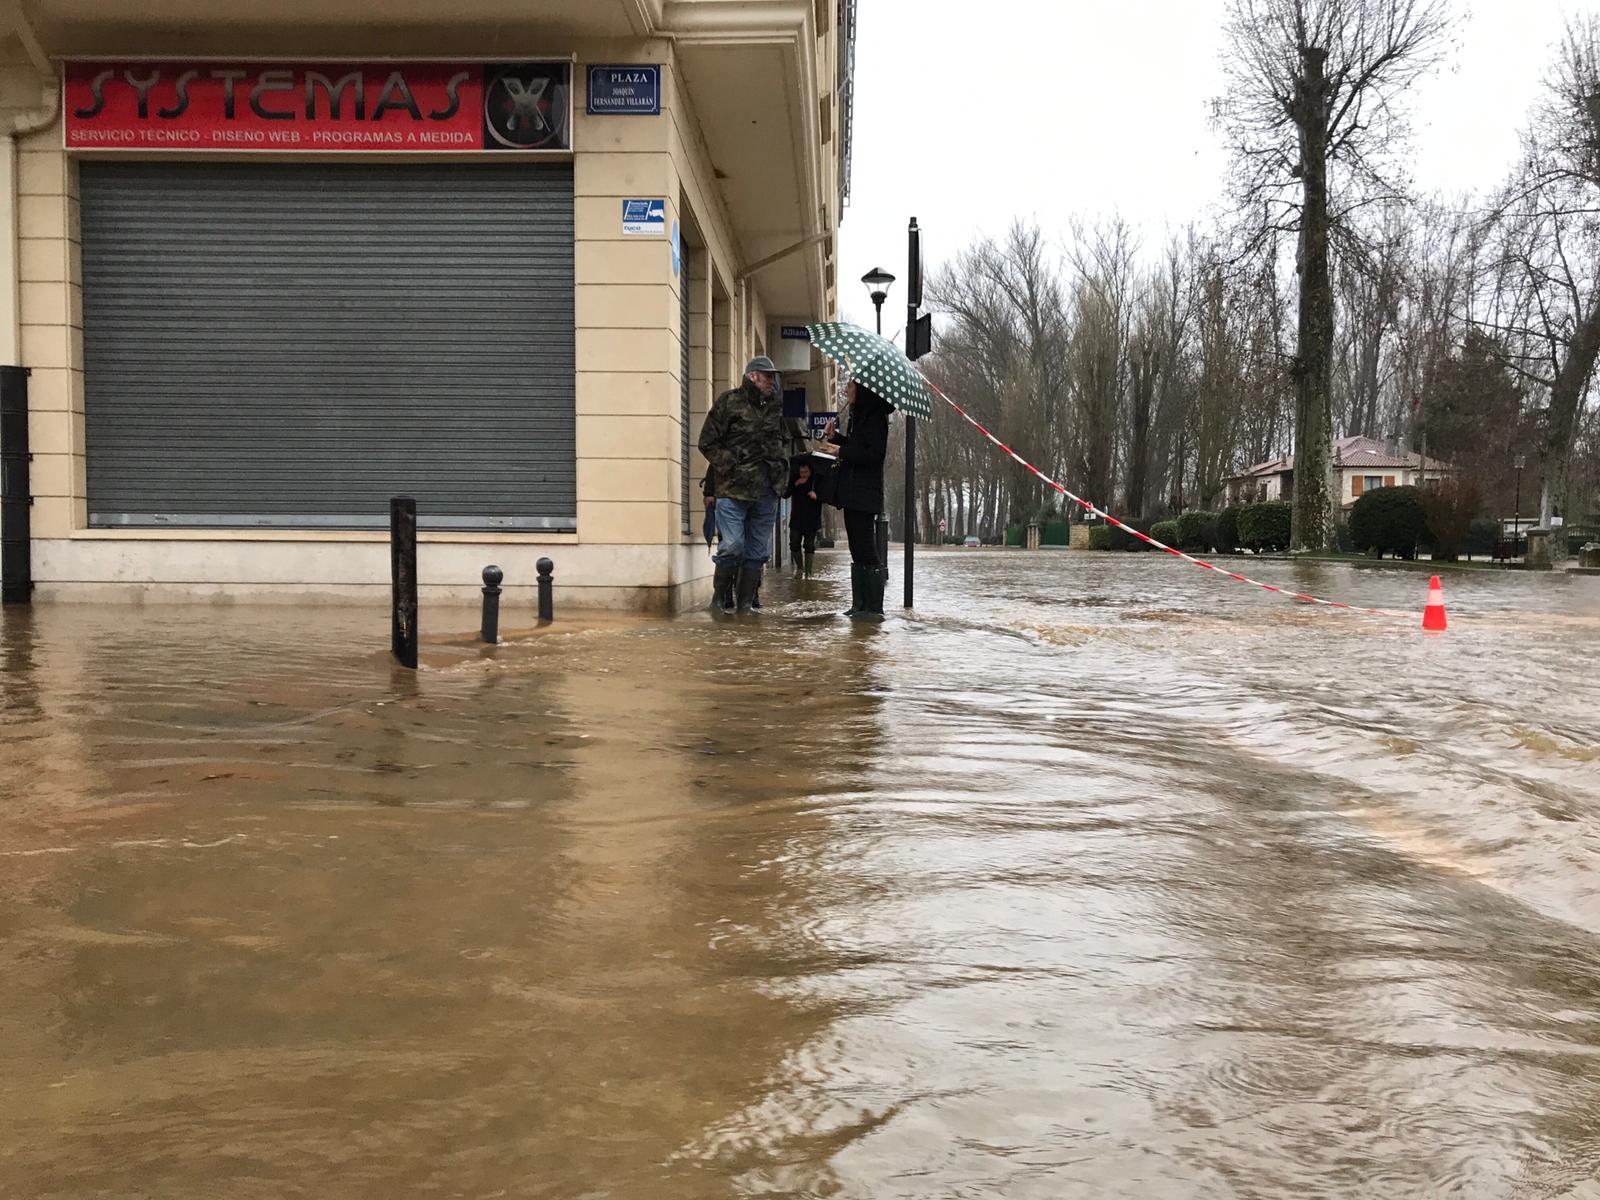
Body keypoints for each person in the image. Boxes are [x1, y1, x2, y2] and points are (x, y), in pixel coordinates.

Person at [698, 356, 790, 613]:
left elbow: (780, 442)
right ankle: (718, 601)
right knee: (733, 546)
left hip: (766, 491)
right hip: (733, 490)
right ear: (753, 376)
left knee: (757, 551)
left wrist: (781, 476)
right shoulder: (729, 402)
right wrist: (730, 465)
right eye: (767, 375)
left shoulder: (775, 406)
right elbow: (707, 441)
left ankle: (746, 606)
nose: (772, 380)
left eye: (773, 376)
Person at [819, 380, 892, 619]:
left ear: (862, 390)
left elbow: (873, 455)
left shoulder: (875, 418)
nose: (846, 390)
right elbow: (856, 447)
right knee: (855, 548)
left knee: (865, 548)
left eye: (850, 386)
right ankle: (859, 605)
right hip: (852, 491)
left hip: (865, 492)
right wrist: (837, 438)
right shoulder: (857, 416)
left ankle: (873, 608)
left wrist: (841, 451)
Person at [788, 461, 823, 578]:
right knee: (794, 543)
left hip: (812, 519)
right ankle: (800, 568)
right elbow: (785, 494)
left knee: (809, 545)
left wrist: (817, 496)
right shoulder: (794, 479)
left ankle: (808, 572)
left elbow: (826, 496)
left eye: (806, 472)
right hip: (796, 519)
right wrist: (795, 484)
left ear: (810, 471)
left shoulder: (816, 481)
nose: (803, 474)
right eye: (801, 472)